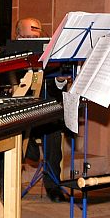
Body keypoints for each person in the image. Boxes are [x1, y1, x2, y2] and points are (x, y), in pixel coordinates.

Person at [16, 17, 67, 203]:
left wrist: (60, 82)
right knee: (12, 132)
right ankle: (7, 189)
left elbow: (56, 89)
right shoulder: (8, 54)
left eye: (36, 38)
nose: (33, 42)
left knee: (54, 128)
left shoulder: (49, 55)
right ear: (18, 36)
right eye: (28, 37)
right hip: (19, 114)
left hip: (42, 114)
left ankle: (53, 186)